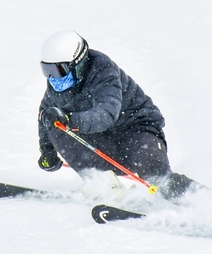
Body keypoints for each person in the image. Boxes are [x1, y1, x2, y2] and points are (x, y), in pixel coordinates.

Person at [37, 30, 198, 201]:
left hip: (137, 132)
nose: (53, 78)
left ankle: (198, 202)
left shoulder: (103, 72)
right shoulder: (57, 89)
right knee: (56, 123)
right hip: (105, 147)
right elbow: (45, 114)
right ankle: (106, 185)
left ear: (77, 64)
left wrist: (71, 120)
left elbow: (106, 114)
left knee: (158, 178)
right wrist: (47, 150)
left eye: (59, 70)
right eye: (47, 70)